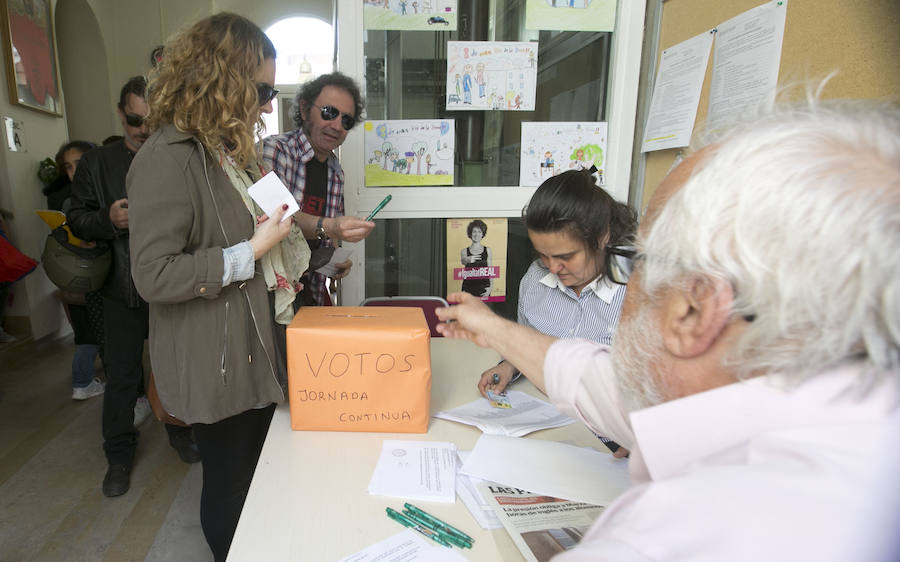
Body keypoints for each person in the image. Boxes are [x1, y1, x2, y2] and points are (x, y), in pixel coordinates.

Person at [436, 100, 900, 562]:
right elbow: (594, 380)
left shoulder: (670, 539)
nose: (628, 276)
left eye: (641, 261)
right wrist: (494, 331)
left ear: (692, 310)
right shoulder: (859, 425)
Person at [127, 13, 301, 560]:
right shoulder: (167, 158)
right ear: (222, 78)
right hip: (216, 357)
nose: (270, 105)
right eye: (264, 89)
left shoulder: (227, 153)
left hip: (252, 342)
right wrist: (248, 253)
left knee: (256, 475)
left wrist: (321, 228)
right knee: (231, 484)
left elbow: (270, 217)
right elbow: (153, 273)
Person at [67, 76, 200, 499]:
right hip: (120, 289)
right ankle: (119, 456)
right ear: (121, 113)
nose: (142, 129)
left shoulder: (179, 156)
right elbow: (77, 219)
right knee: (122, 377)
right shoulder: (97, 163)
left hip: (171, 289)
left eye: (151, 120)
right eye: (133, 119)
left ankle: (180, 434)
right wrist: (109, 219)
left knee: (174, 369)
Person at [260, 72, 375, 307]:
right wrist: (330, 226)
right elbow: (275, 218)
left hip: (309, 295)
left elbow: (327, 239)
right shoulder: (275, 151)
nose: (336, 126)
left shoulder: (335, 172)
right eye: (329, 113)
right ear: (304, 110)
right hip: (271, 296)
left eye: (346, 121)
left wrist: (335, 261)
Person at [49, 140, 106, 400]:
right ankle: (87, 381)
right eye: (68, 167)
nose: (73, 172)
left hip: (115, 282)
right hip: (88, 282)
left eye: (79, 164)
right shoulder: (70, 203)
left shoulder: (111, 193)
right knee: (92, 336)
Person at [460, 219, 493, 299]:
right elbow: (463, 261)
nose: (476, 234)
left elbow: (490, 271)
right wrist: (468, 260)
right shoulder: (464, 251)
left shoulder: (488, 250)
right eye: (474, 231)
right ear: (470, 233)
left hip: (484, 288)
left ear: (482, 234)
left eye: (479, 232)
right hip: (468, 288)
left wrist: (490, 288)